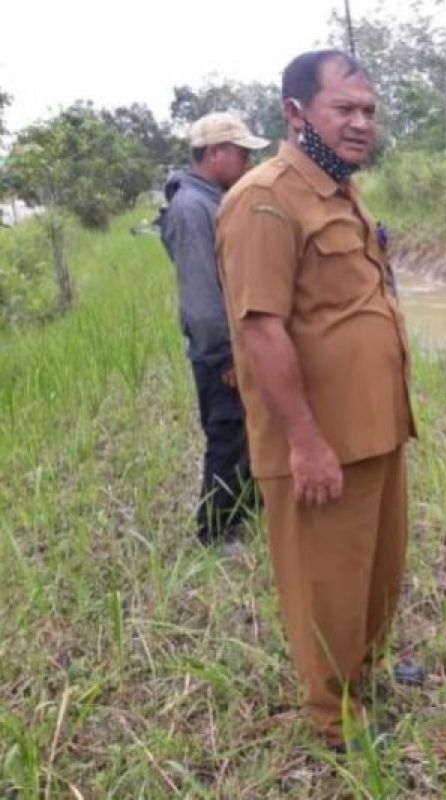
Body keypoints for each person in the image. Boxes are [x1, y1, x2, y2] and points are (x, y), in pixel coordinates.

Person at [216, 50, 420, 749]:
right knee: (326, 586)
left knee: (378, 569)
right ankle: (334, 721)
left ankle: (366, 674)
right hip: (321, 438)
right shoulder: (264, 200)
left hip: (376, 426)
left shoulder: (339, 189)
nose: (362, 123)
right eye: (345, 109)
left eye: (368, 110)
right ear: (296, 112)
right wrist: (305, 443)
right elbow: (262, 329)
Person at [159, 112, 269, 549]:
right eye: (241, 153)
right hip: (219, 351)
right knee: (226, 435)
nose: (247, 162)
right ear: (215, 153)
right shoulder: (192, 208)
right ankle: (216, 532)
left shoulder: (211, 200)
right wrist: (225, 355)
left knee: (247, 430)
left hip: (232, 344)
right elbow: (203, 296)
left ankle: (245, 510)